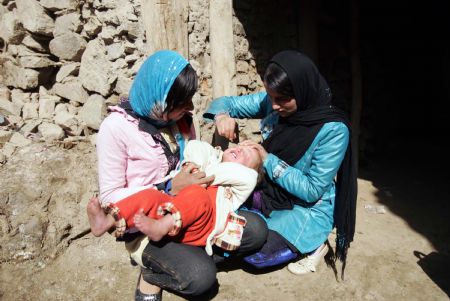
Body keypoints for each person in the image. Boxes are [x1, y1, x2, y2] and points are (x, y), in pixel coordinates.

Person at [92, 50, 268, 301]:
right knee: (201, 279)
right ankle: (152, 270)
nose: (191, 108)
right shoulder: (116, 129)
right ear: (161, 100)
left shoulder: (182, 121)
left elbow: (193, 159)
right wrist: (167, 186)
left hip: (191, 213)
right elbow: (110, 197)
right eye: (182, 103)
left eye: (190, 100)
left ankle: (182, 254)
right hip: (147, 222)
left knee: (256, 230)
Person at [204, 50, 357, 277]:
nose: (274, 106)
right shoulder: (274, 102)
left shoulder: (333, 130)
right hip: (269, 190)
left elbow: (312, 190)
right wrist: (221, 117)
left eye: (282, 99)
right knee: (229, 224)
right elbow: (225, 103)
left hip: (304, 208)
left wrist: (267, 159)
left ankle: (315, 244)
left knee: (256, 256)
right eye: (270, 97)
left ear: (303, 92)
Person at [88, 140, 262, 256]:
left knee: (199, 194)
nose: (239, 149)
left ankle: (162, 226)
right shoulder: (212, 158)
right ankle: (107, 221)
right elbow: (194, 146)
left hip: (203, 226)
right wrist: (197, 163)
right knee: (151, 196)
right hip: (174, 208)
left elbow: (244, 175)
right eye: (239, 146)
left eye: (246, 154)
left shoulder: (240, 184)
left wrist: (199, 174)